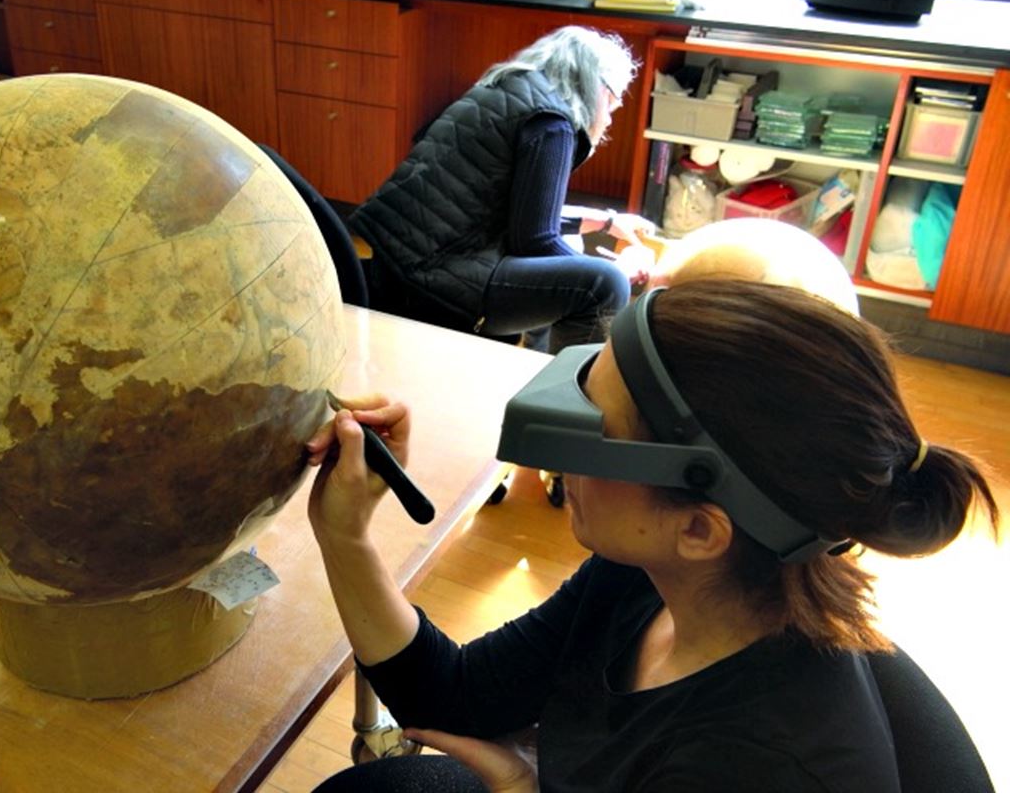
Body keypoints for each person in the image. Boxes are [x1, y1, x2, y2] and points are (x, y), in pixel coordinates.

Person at [304, 278, 1000, 792]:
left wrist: (523, 789)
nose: (559, 449)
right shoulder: (648, 575)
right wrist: (345, 534)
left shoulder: (764, 766)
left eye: (593, 431)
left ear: (700, 528)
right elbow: (456, 696)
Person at [348, 26, 657, 353]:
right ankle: (560, 396)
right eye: (613, 103)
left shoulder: (505, 91)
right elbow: (535, 241)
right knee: (603, 286)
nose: (609, 118)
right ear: (595, 86)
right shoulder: (551, 124)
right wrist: (620, 272)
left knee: (573, 249)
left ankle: (532, 369)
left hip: (399, 264)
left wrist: (605, 221)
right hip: (433, 280)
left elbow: (515, 209)